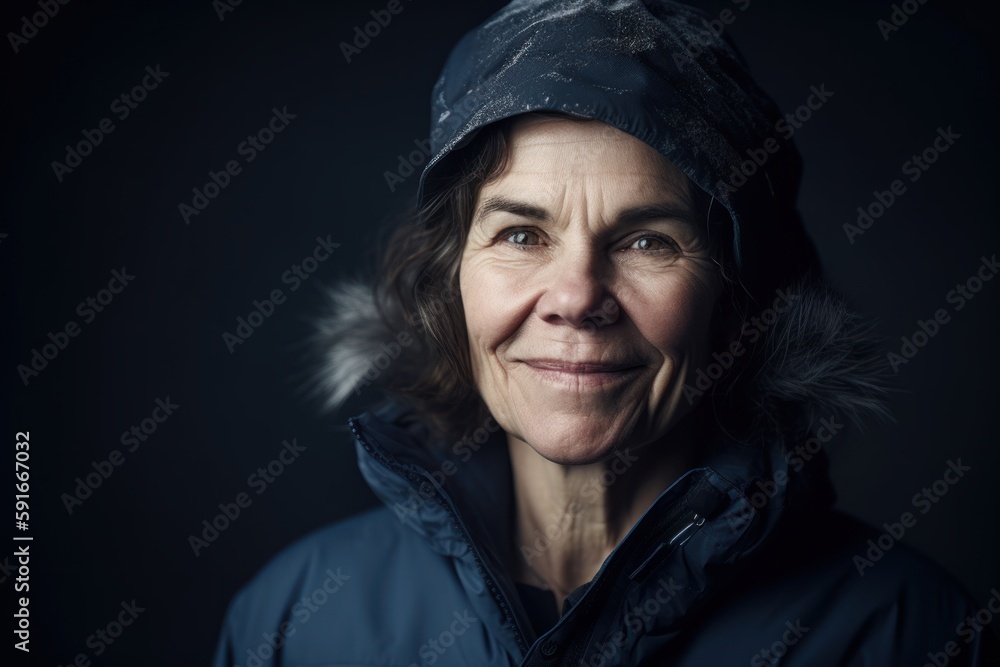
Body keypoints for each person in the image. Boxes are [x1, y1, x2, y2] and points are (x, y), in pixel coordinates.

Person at [213, 1, 1000, 665]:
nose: (578, 297)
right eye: (521, 234)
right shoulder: (291, 620)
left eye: (647, 240)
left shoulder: (909, 632)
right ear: (447, 283)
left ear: (736, 294)